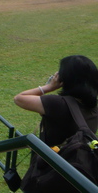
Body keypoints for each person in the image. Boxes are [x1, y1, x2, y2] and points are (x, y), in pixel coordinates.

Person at [14, 55, 98, 190]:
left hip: (50, 170)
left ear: (65, 79)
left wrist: (49, 87)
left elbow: (19, 98)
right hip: (78, 170)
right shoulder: (94, 108)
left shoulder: (58, 104)